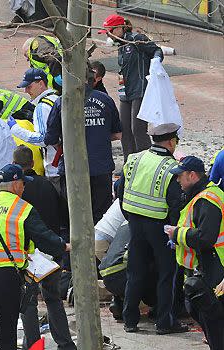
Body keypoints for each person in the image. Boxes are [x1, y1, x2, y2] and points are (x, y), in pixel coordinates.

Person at [0, 164, 69, 350]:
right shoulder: (22, 208)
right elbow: (44, 237)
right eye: (23, 183)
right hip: (5, 277)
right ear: (16, 184)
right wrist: (63, 246)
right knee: (7, 332)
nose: (24, 187)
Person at [115, 123, 187, 334]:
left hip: (135, 223)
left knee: (135, 272)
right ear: (172, 142)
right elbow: (175, 204)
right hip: (161, 227)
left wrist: (130, 216)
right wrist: (174, 232)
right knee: (168, 274)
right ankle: (165, 322)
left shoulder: (134, 159)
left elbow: (120, 191)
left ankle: (130, 320)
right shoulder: (170, 168)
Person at [12, 146, 75, 350]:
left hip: (29, 254)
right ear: (32, 163)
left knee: (28, 301)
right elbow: (64, 214)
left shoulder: (17, 193)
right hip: (51, 251)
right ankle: (65, 344)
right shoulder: (48, 185)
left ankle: (32, 344)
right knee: (53, 299)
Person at [44, 71, 122, 223]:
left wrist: (65, 144)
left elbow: (50, 138)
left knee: (76, 218)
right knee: (101, 219)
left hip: (73, 168)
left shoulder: (62, 102)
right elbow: (118, 134)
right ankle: (99, 246)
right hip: (100, 167)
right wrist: (98, 136)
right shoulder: (105, 99)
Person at [164, 156, 224, 348]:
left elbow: (206, 238)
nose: (177, 180)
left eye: (180, 176)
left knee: (214, 323)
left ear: (192, 175)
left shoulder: (207, 200)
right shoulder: (203, 196)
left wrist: (177, 234)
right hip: (209, 266)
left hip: (215, 268)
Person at [100, 14, 164, 160]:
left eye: (109, 31)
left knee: (138, 130)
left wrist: (156, 62)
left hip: (140, 89)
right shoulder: (121, 44)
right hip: (125, 91)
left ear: (119, 29)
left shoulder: (137, 39)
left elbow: (157, 50)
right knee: (125, 130)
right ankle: (129, 164)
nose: (108, 35)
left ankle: (148, 162)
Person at [9, 68, 60, 188]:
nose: (26, 91)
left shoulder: (42, 107)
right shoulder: (56, 99)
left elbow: (42, 139)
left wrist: (15, 129)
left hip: (55, 168)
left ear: (41, 84)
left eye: (29, 86)